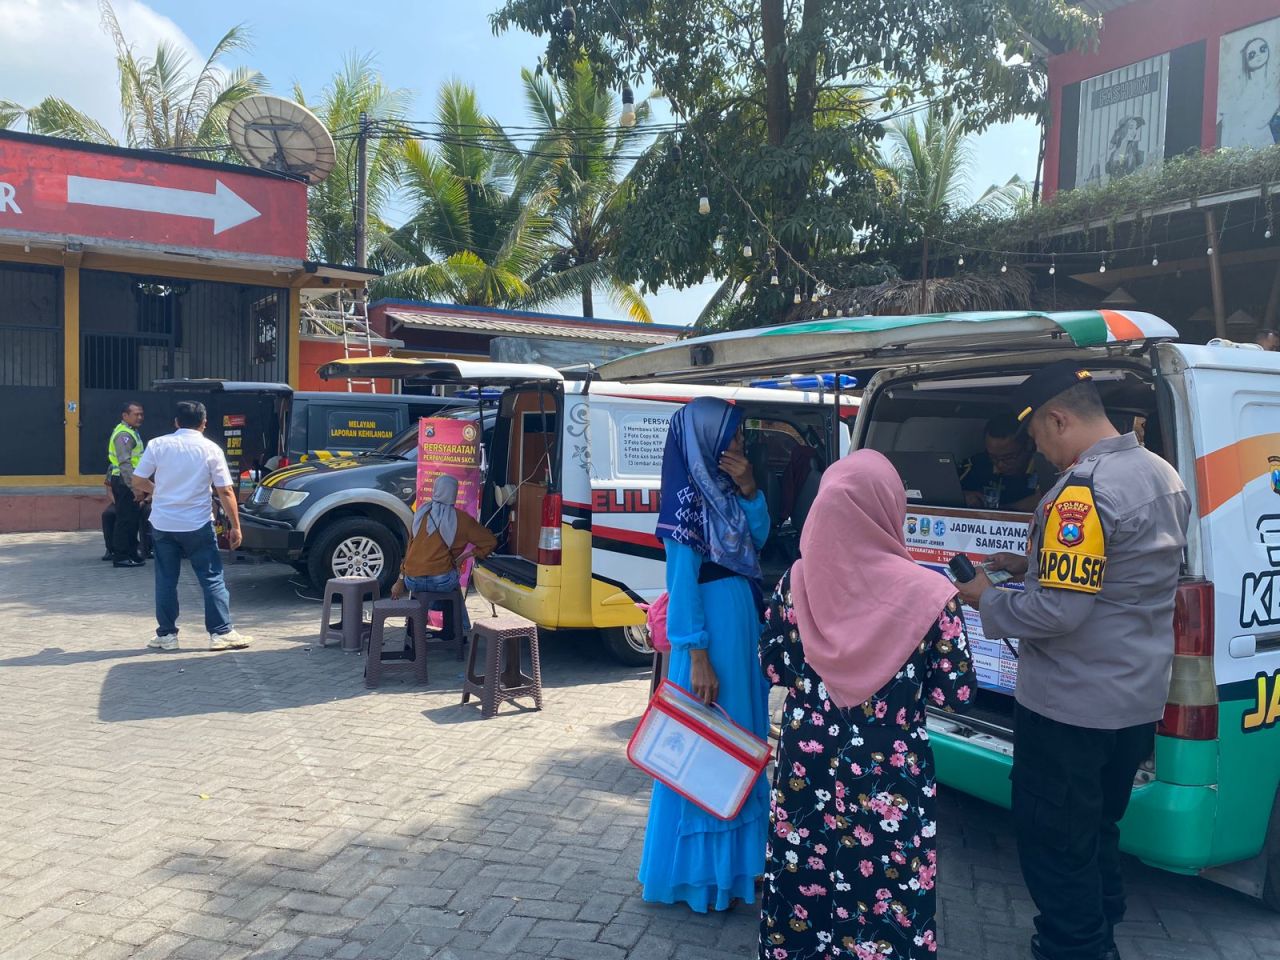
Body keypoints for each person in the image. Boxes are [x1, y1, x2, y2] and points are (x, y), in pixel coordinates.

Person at [954, 361, 1190, 960]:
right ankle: (1102, 920)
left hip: (1069, 709)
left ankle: (1076, 946)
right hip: (1133, 703)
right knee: (1097, 827)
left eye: (1038, 440)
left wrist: (987, 598)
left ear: (1058, 418)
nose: (1041, 456)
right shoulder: (1162, 474)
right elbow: (1119, 581)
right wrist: (1027, 567)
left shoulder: (1081, 493)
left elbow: (1059, 614)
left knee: (1056, 840)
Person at [758, 450, 973, 960]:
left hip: (806, 765)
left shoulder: (797, 582)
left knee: (802, 872)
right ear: (889, 508)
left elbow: (776, 667)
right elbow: (955, 693)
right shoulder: (932, 594)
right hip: (889, 770)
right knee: (887, 885)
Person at [637, 396, 771, 913]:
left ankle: (738, 870)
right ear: (705, 440)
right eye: (731, 436)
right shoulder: (685, 504)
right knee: (703, 746)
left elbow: (756, 538)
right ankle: (702, 880)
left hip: (739, 627)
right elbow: (680, 583)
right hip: (709, 636)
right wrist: (695, 655)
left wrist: (750, 488)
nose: (738, 444)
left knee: (738, 741)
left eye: (740, 436)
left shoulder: (725, 492)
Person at [131, 401, 253, 653]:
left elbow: (138, 479)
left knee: (165, 579)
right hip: (197, 524)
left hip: (163, 524)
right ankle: (220, 633)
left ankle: (166, 635)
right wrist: (236, 526)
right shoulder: (210, 449)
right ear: (204, 422)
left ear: (176, 422)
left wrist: (159, 491)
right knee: (211, 578)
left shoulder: (157, 444)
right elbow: (226, 490)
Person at [389, 474, 497, 634]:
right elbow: (490, 541)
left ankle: (417, 629)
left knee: (440, 586)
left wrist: (400, 581)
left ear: (436, 490)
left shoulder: (421, 514)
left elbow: (410, 550)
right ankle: (459, 630)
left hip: (412, 580)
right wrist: (466, 556)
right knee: (452, 586)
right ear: (453, 493)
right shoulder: (462, 519)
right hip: (441, 581)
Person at [960, 413, 1046, 512]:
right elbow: (946, 490)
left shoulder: (1046, 468)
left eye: (1008, 457)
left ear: (1029, 445)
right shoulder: (978, 464)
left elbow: (1049, 500)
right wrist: (964, 496)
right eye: (994, 457)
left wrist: (1005, 510)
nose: (1000, 464)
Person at [108, 401, 146, 568]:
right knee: (124, 520)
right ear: (125, 416)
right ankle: (121, 556)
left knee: (132, 519)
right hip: (125, 481)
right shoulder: (124, 435)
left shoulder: (131, 432)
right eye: (135, 414)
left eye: (141, 414)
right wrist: (135, 488)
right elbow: (125, 463)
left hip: (129, 480)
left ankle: (132, 552)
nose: (139, 417)